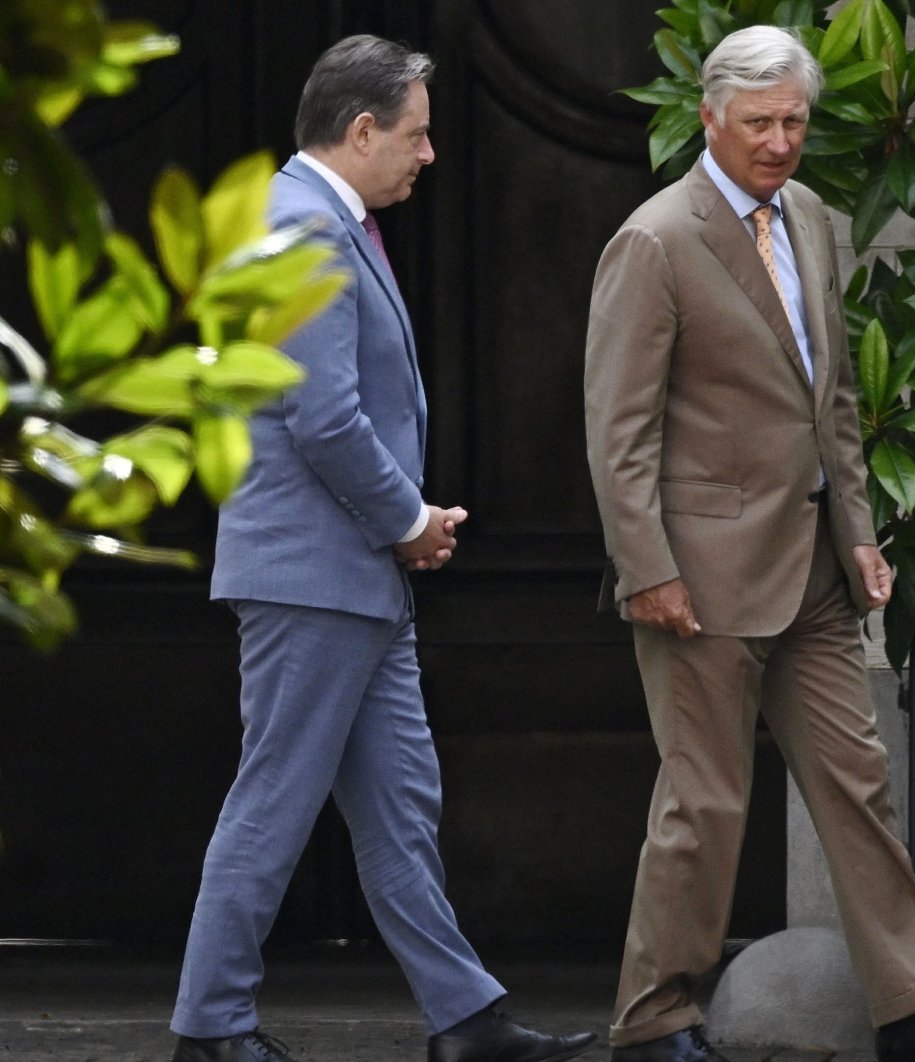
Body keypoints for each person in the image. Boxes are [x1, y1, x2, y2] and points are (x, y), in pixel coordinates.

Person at [584, 25, 915, 1062]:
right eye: (759, 124)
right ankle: (654, 1022)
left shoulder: (814, 220)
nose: (781, 141)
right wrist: (645, 567)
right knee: (703, 800)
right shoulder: (654, 239)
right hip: (698, 577)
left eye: (794, 120)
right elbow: (618, 431)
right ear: (709, 117)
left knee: (857, 784)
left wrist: (861, 536)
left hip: (815, 574)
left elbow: (828, 403)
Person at [170, 35, 598, 1062]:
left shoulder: (317, 220)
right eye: (415, 134)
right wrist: (408, 520)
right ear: (360, 131)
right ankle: (210, 1030)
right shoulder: (304, 229)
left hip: (349, 574)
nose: (429, 154)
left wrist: (399, 528)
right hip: (315, 573)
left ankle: (466, 1020)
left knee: (400, 804)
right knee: (273, 801)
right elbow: (323, 418)